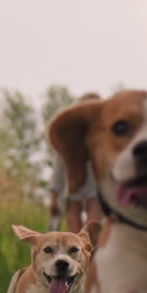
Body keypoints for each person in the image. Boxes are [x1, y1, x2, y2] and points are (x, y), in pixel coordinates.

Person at [48, 92, 104, 233]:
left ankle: (90, 249)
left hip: (96, 187)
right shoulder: (68, 137)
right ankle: (78, 249)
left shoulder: (104, 137)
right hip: (72, 187)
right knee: (74, 219)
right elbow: (58, 170)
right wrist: (54, 196)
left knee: (93, 222)